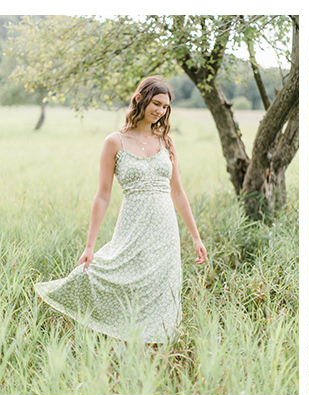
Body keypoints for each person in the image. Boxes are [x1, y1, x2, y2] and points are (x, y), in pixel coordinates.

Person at [35, 76, 208, 344]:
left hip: (165, 230)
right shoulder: (114, 142)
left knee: (160, 288)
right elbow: (103, 196)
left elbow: (178, 192)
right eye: (156, 103)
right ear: (139, 98)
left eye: (165, 107)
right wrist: (90, 246)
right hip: (133, 225)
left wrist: (196, 237)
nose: (160, 111)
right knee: (111, 276)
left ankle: (156, 348)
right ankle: (120, 338)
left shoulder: (167, 142)